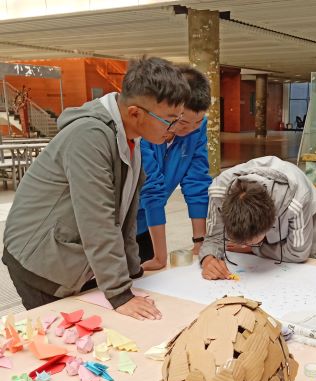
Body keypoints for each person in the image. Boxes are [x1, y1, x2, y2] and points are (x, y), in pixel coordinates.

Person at [2, 57, 190, 320]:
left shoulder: (130, 138)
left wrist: (132, 271)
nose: (174, 129)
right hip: (40, 263)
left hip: (72, 257)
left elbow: (125, 213)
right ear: (135, 113)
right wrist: (119, 293)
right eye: (170, 120)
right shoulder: (89, 136)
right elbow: (97, 220)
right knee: (68, 336)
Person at [199, 156, 316, 280]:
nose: (242, 246)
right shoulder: (218, 192)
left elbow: (297, 253)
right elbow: (214, 237)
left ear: (271, 224)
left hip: (308, 212)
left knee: (301, 273)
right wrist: (208, 258)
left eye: (251, 242)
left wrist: (255, 249)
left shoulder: (298, 200)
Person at [137, 66, 212, 270]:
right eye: (183, 122)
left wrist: (199, 242)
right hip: (115, 225)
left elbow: (196, 181)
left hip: (147, 226)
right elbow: (151, 187)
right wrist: (161, 257)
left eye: (198, 122)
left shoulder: (196, 129)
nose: (191, 129)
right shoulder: (143, 129)